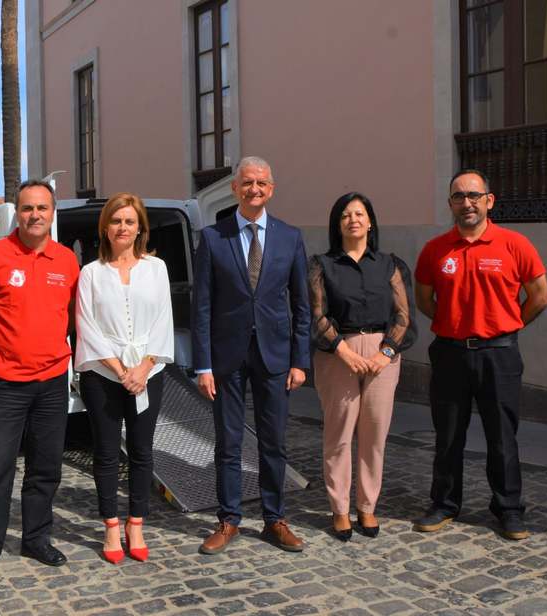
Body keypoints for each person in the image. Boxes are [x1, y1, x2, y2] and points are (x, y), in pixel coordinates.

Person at [0, 180, 80, 588]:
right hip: (3, 383)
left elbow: (72, 317)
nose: (35, 215)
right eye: (27, 208)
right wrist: (3, 349)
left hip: (52, 381)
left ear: (52, 212)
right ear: (18, 213)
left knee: (46, 467)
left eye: (42, 208)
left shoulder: (67, 261)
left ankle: (36, 539)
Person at [413, 169, 547, 541]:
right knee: (448, 435)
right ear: (450, 204)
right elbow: (424, 299)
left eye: (474, 195)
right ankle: (444, 504)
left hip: (499, 355)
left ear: (489, 201)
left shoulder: (514, 244)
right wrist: (454, 323)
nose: (467, 203)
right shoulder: (435, 249)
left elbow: (540, 295)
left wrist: (507, 324)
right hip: (450, 354)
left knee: (502, 437)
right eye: (459, 196)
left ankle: (509, 509)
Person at [192, 156, 311, 554]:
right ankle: (229, 520)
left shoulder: (290, 237)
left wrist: (300, 360)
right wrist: (203, 365)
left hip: (275, 357)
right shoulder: (213, 238)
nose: (254, 189)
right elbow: (202, 307)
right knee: (228, 442)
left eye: (261, 183)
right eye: (247, 182)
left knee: (273, 442)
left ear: (271, 189)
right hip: (226, 358)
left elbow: (302, 306)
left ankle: (275, 519)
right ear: (234, 188)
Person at [309, 192, 417, 541]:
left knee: (374, 434)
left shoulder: (390, 265)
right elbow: (316, 315)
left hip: (382, 354)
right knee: (338, 434)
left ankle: (367, 506)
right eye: (345, 215)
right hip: (336, 353)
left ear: (370, 222)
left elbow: (403, 315)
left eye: (359, 214)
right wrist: (343, 350)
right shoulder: (321, 265)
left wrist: (385, 353)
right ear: (337, 224)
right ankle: (340, 509)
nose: (353, 219)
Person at [74, 192, 174, 564]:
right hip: (103, 373)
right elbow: (87, 325)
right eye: (116, 221)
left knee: (142, 451)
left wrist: (143, 368)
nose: (123, 227)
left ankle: (136, 524)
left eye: (129, 221)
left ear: (140, 228)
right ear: (105, 227)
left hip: (149, 371)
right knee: (104, 452)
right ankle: (111, 526)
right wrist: (120, 371)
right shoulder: (91, 273)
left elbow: (164, 319)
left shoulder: (156, 268)